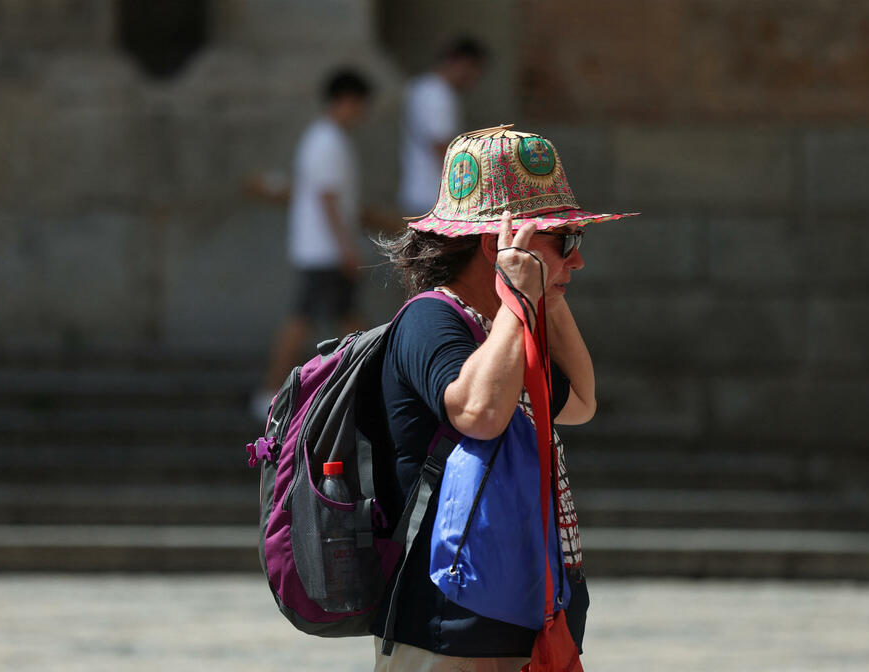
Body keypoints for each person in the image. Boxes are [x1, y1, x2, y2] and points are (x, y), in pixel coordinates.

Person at [373, 126, 636, 670]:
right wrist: (523, 296)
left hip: (513, 613)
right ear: (498, 243)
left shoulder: (502, 329)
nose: (577, 259)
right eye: (564, 240)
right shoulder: (431, 318)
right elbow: (480, 414)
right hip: (444, 623)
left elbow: (581, 401)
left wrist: (548, 294)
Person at [250, 69, 373, 419]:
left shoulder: (325, 138)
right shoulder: (327, 140)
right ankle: (269, 392)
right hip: (324, 251)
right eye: (360, 106)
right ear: (346, 100)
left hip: (324, 249)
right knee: (304, 319)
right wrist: (347, 247)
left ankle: (365, 384)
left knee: (348, 320)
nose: (362, 115)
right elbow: (328, 198)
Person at [398, 37, 488, 217]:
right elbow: (442, 147)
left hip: (419, 192)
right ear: (463, 63)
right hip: (433, 197)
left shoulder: (420, 87)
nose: (475, 79)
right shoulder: (438, 94)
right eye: (476, 70)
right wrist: (469, 192)